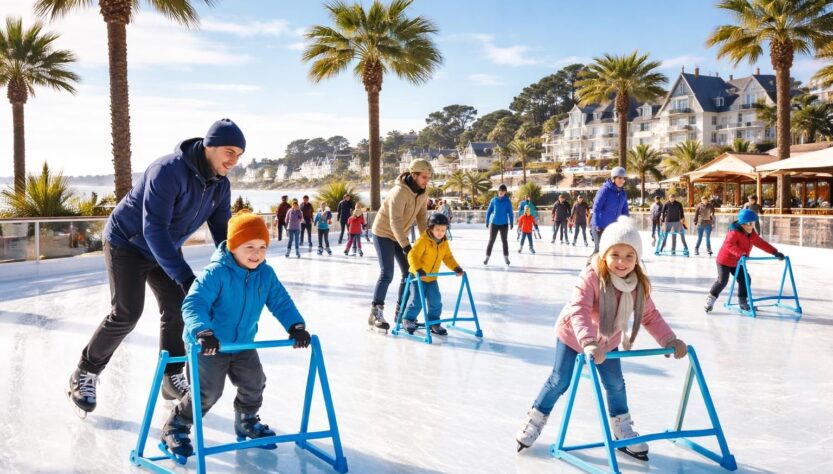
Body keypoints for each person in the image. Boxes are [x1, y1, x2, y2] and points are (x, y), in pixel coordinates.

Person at [67, 119, 245, 417]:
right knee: (126, 312)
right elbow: (154, 231)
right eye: (229, 151)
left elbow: (223, 235)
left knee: (178, 306)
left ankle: (171, 376)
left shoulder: (220, 187)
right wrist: (187, 278)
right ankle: (85, 372)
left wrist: (237, 270)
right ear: (209, 146)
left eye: (239, 155)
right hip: (127, 242)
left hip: (164, 248)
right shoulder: (167, 171)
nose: (234, 160)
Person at [515, 216, 687, 459]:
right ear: (604, 254)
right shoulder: (591, 277)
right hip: (574, 336)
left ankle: (622, 430)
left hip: (607, 342)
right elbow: (579, 310)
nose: (622, 262)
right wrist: (588, 342)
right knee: (560, 380)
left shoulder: (637, 285)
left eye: (629, 256)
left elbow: (650, 316)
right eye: (615, 254)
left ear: (637, 259)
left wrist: (670, 340)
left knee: (616, 384)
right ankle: (534, 421)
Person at [159, 211, 311, 459]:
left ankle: (246, 420)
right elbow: (193, 303)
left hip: (242, 343)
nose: (257, 253)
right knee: (207, 392)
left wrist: (296, 326)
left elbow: (281, 302)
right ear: (232, 246)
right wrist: (203, 332)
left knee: (254, 382)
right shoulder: (216, 273)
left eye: (262, 246)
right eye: (249, 246)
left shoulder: (266, 274)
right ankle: (176, 424)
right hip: (209, 345)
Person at [369, 159, 432, 331]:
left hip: (399, 235)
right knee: (387, 272)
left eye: (429, 177)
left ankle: (401, 311)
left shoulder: (422, 192)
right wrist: (406, 246)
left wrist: (428, 240)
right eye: (424, 177)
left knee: (409, 273)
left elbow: (421, 217)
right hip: (383, 233)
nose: (427, 181)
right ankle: (376, 313)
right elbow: (394, 222)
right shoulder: (399, 192)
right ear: (414, 174)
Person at [704, 209, 784, 312]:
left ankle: (742, 301)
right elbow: (729, 245)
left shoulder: (752, 234)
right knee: (722, 280)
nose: (752, 226)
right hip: (724, 261)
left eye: (753, 223)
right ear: (743, 224)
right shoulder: (734, 232)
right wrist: (740, 253)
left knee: (745, 279)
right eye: (750, 223)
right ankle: (710, 299)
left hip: (738, 261)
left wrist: (774, 252)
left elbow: (761, 243)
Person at [401, 213, 463, 336]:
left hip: (432, 278)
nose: (440, 233)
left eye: (443, 230)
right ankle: (408, 319)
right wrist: (418, 269)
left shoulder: (444, 242)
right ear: (431, 228)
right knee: (417, 301)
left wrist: (456, 267)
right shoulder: (423, 241)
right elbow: (412, 255)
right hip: (417, 276)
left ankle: (434, 323)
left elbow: (448, 257)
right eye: (438, 230)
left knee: (436, 301)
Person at [591, 167, 629, 253]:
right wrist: (597, 225)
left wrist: (627, 224)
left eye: (623, 178)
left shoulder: (623, 193)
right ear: (613, 178)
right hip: (599, 227)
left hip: (612, 228)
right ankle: (589, 266)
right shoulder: (604, 191)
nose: (622, 180)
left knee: (610, 252)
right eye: (619, 178)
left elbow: (625, 211)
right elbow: (596, 208)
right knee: (599, 251)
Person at [484, 184, 514, 266]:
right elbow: (489, 211)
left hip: (504, 224)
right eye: (500, 191)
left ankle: (506, 257)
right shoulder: (494, 200)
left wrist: (511, 222)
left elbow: (510, 213)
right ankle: (487, 257)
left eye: (503, 191)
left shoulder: (507, 201)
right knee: (491, 240)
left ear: (505, 192)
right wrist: (487, 221)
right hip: (494, 223)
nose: (501, 192)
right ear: (498, 191)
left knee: (504, 241)